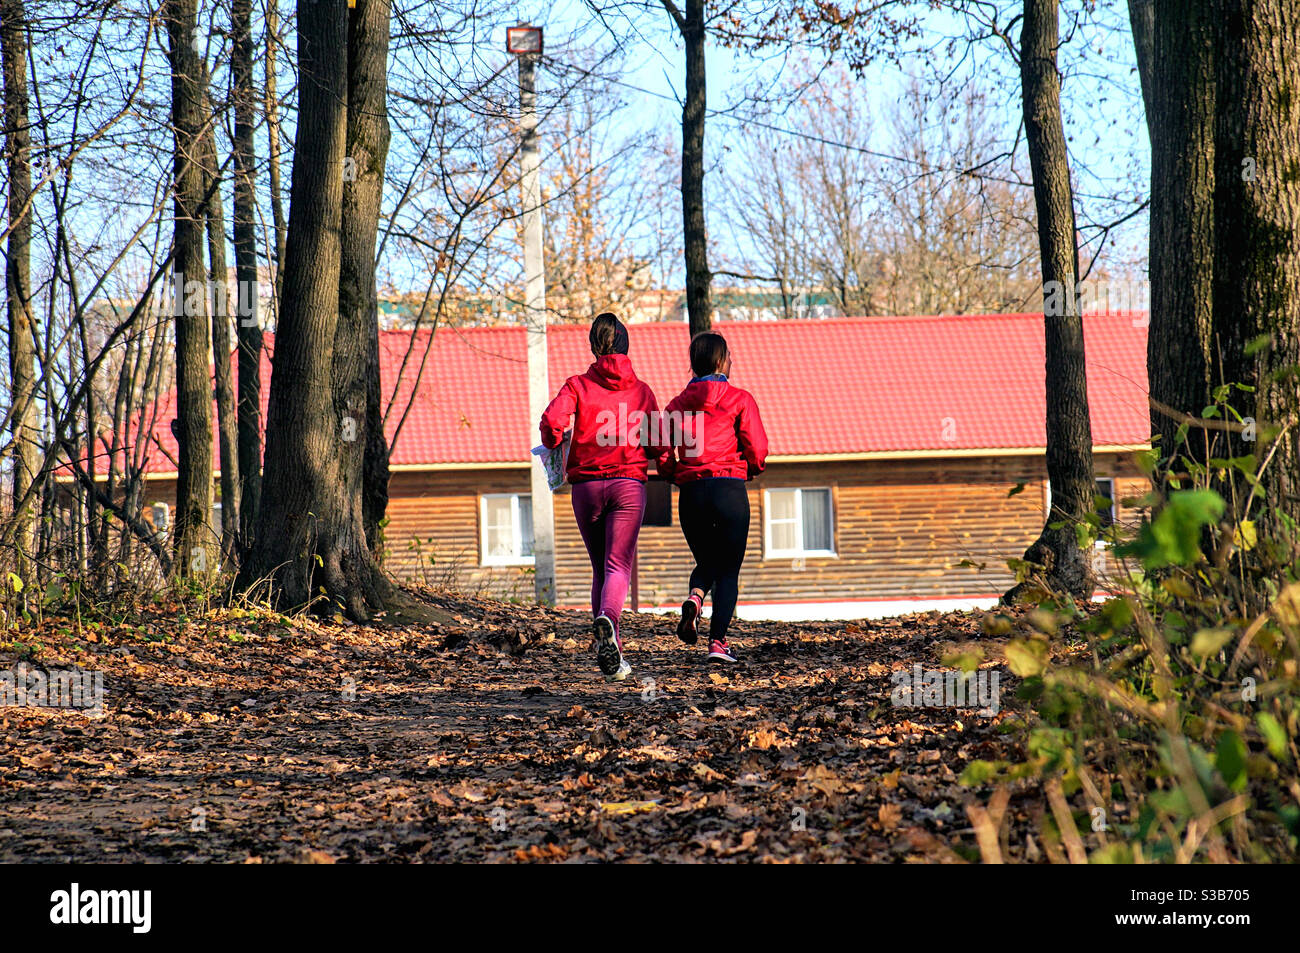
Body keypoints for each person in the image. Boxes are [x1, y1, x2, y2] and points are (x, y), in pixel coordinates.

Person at [539, 313, 668, 682]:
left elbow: (551, 424)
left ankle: (608, 649)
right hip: (628, 484)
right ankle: (609, 623)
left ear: (595, 347)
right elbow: (658, 443)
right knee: (617, 567)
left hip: (588, 488)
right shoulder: (642, 391)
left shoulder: (577, 385)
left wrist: (554, 445)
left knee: (602, 567)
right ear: (626, 347)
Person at [662, 330, 768, 663]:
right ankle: (718, 643)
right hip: (729, 491)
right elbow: (759, 449)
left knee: (707, 561)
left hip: (691, 494)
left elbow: (661, 452)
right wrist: (750, 468)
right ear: (721, 361)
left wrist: (676, 474)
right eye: (730, 356)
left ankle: (694, 599)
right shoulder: (740, 399)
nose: (732, 360)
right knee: (728, 571)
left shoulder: (675, 405)